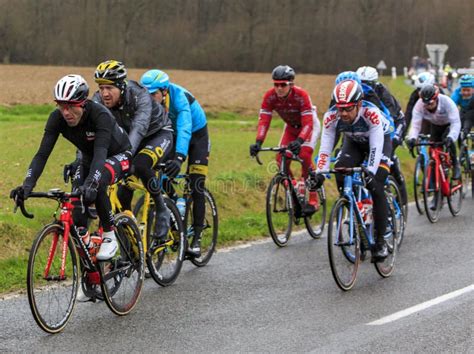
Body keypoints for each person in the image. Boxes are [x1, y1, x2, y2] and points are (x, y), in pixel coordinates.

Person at [10, 75, 132, 260]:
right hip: (90, 159)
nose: (66, 112)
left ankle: (109, 235)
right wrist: (27, 185)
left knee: (97, 182)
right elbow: (42, 154)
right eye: (61, 105)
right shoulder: (56, 118)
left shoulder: (100, 115)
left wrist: (92, 183)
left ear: (82, 103)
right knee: (76, 207)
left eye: (70, 106)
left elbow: (101, 153)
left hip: (117, 154)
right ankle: (89, 260)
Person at [93, 60, 174, 243]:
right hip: (128, 137)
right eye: (101, 88)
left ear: (122, 86)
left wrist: (125, 158)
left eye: (109, 88)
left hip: (157, 134)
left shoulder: (140, 96)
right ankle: (129, 238)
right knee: (122, 189)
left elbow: (139, 128)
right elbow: (89, 133)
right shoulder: (97, 100)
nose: (104, 93)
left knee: (140, 164)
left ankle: (161, 209)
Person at [313, 79, 392, 262]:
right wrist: (320, 173)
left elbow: (375, 147)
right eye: (340, 108)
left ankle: (380, 242)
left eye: (349, 108)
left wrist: (370, 172)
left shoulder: (370, 113)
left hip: (380, 141)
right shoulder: (331, 116)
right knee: (341, 171)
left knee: (376, 185)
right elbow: (325, 148)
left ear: (359, 104)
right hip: (354, 143)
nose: (344, 113)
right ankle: (353, 209)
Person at [140, 69, 209, 258]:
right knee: (158, 167)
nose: (150, 99)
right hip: (171, 134)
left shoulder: (179, 98)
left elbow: (185, 127)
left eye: (153, 94)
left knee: (196, 184)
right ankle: (174, 200)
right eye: (146, 94)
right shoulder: (149, 102)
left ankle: (196, 238)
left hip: (196, 135)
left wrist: (179, 157)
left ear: (164, 91)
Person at [249, 65, 321, 213]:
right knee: (280, 157)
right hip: (290, 128)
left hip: (309, 126)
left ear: (291, 84)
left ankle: (313, 198)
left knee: (304, 154)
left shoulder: (301, 95)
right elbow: (264, 120)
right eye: (276, 84)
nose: (279, 88)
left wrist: (300, 142)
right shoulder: (270, 97)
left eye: (283, 85)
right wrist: (258, 142)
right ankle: (294, 188)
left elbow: (308, 123)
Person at [406, 84, 461, 184]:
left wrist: (451, 137)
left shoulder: (447, 102)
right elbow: (415, 125)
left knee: (447, 139)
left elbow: (456, 123)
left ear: (436, 98)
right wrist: (412, 138)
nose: (428, 106)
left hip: (449, 124)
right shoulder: (419, 105)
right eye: (425, 103)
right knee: (433, 152)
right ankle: (435, 190)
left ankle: (455, 164)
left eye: (430, 103)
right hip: (435, 125)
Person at [405, 71, 437, 136]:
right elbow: (408, 112)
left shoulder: (440, 94)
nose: (420, 93)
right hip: (422, 120)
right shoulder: (415, 95)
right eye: (418, 89)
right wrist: (403, 131)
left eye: (422, 89)